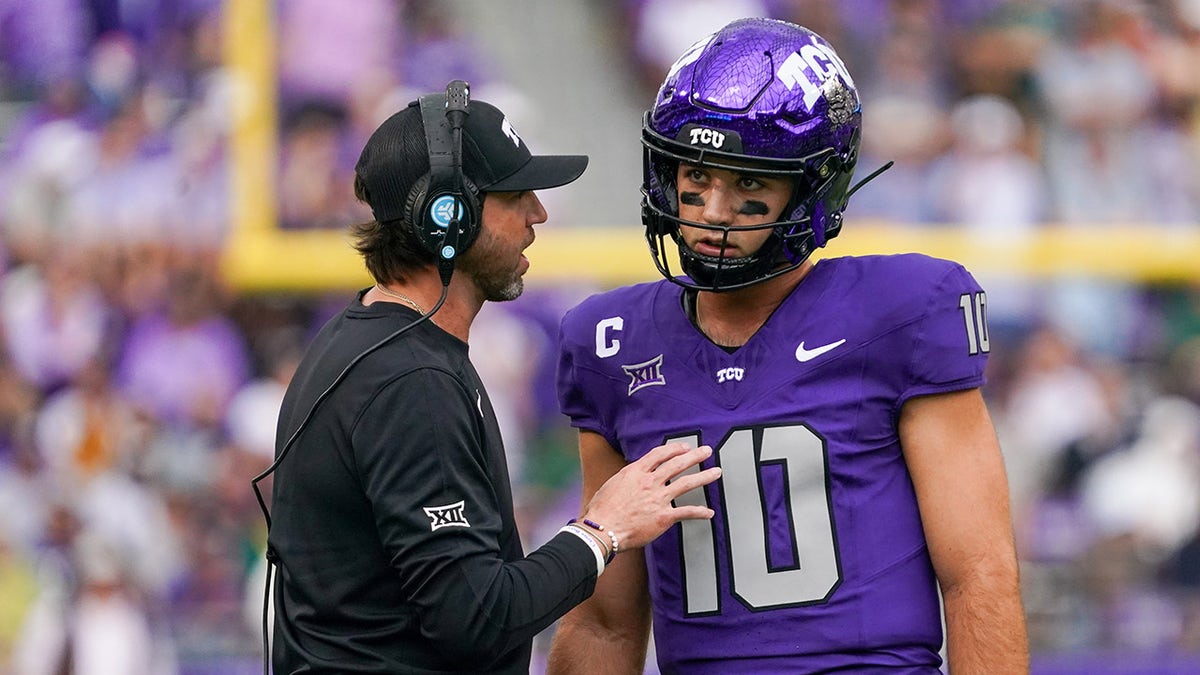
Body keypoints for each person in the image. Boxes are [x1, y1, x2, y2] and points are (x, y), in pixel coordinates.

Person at [547, 18, 1029, 674]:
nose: (713, 209)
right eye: (696, 173)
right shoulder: (610, 341)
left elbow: (980, 575)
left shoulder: (902, 311)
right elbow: (606, 621)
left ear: (813, 187)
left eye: (749, 182)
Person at [259, 83, 722, 674]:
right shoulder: (411, 379)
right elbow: (475, 617)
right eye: (516, 195)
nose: (538, 214)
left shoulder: (369, 345)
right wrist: (602, 531)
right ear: (447, 215)